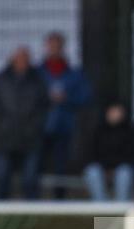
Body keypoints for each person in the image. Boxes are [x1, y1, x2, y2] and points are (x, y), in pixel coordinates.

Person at [0, 47, 49, 200]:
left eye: (25, 59)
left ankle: (32, 213)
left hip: (30, 138)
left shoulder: (37, 80)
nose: (22, 62)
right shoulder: (1, 79)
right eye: (19, 59)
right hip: (5, 137)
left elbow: (44, 106)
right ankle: (1, 212)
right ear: (13, 60)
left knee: (30, 179)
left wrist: (34, 125)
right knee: (2, 177)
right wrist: (2, 122)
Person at [39, 31, 91, 199]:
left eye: (57, 45)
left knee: (60, 166)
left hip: (64, 127)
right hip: (39, 126)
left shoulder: (74, 74)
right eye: (51, 45)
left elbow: (85, 96)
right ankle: (33, 200)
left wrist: (67, 98)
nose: (54, 49)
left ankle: (59, 201)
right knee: (36, 164)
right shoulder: (38, 73)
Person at [83, 100, 134, 202]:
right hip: (102, 168)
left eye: (118, 111)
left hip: (121, 168)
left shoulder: (129, 131)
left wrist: (113, 170)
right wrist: (105, 169)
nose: (115, 114)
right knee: (92, 171)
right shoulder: (98, 130)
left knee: (124, 173)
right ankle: (102, 209)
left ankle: (121, 210)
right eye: (113, 111)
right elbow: (91, 154)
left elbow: (131, 155)